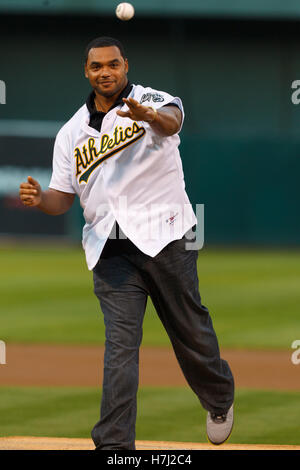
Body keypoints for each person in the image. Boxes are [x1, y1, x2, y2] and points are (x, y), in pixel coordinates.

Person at [19, 36, 234, 450]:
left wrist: (149, 114)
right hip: (110, 248)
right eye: (97, 66)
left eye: (113, 65)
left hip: (167, 236)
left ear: (125, 66)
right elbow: (62, 197)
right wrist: (39, 199)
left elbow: (172, 121)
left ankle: (219, 397)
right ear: (86, 72)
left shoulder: (151, 98)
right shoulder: (70, 133)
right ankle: (114, 446)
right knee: (120, 347)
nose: (106, 72)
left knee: (190, 330)